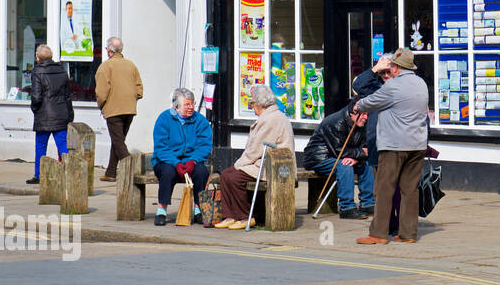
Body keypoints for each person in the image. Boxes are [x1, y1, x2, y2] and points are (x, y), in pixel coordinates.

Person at [353, 48, 428, 245]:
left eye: (392, 66)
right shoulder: (421, 83)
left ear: (397, 67)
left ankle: (378, 234)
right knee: (410, 190)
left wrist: (359, 106)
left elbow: (369, 102)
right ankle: (408, 233)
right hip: (417, 144)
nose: (390, 71)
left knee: (384, 188)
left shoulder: (393, 86)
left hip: (395, 145)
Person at [215, 84, 294, 230]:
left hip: (274, 166)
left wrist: (239, 164)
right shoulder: (269, 116)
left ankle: (245, 216)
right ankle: (230, 215)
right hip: (262, 162)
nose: (252, 107)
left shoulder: (272, 119)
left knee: (234, 177)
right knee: (226, 174)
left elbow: (257, 149)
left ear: (261, 104)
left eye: (253, 103)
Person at [151, 87, 212, 227]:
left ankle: (198, 209)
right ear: (176, 107)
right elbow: (161, 147)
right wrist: (176, 163)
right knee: (168, 172)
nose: (191, 107)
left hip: (191, 160)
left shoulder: (200, 121)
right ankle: (162, 210)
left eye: (192, 104)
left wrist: (193, 160)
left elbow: (205, 145)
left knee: (201, 172)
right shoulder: (164, 119)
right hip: (167, 160)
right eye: (187, 105)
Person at [303, 107, 375, 219]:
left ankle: (368, 203)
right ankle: (346, 207)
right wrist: (359, 153)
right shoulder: (335, 122)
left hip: (343, 156)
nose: (366, 117)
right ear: (353, 113)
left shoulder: (362, 123)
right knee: (345, 166)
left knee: (366, 164)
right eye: (364, 114)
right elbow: (338, 150)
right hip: (320, 158)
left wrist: (357, 157)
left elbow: (366, 147)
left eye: (367, 114)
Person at [95, 37, 143, 181]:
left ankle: (133, 169)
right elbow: (139, 88)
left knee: (118, 142)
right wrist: (133, 98)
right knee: (118, 140)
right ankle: (110, 172)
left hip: (114, 109)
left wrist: (101, 105)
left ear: (109, 51)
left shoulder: (105, 66)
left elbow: (101, 92)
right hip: (129, 108)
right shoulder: (131, 65)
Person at [28, 45, 73, 185]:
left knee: (41, 145)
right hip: (61, 112)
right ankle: (69, 172)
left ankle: (39, 174)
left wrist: (34, 108)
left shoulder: (37, 71)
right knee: (63, 145)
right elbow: (67, 95)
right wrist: (69, 114)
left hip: (44, 114)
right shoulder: (62, 70)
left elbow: (36, 96)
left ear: (38, 58)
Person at [352, 53, 395, 171]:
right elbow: (357, 86)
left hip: (396, 145)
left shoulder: (402, 88)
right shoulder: (374, 89)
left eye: (388, 71)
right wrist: (375, 68)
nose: (386, 75)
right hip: (376, 144)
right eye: (382, 72)